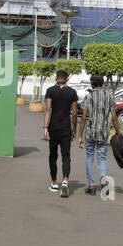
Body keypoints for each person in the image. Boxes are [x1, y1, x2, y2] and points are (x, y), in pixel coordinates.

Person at [77, 73, 123, 195]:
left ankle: (91, 186)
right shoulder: (109, 96)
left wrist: (80, 136)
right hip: (103, 132)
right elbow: (114, 117)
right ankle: (103, 181)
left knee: (89, 157)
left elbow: (83, 118)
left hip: (90, 132)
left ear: (92, 83)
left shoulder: (88, 97)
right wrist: (118, 132)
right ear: (102, 83)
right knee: (102, 158)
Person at [43, 69, 78, 197]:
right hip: (66, 128)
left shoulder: (50, 91)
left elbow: (48, 109)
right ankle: (65, 181)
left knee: (53, 156)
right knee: (66, 156)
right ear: (67, 78)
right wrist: (74, 129)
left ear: (56, 78)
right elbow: (74, 113)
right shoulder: (72, 92)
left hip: (53, 128)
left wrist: (45, 128)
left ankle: (54, 183)